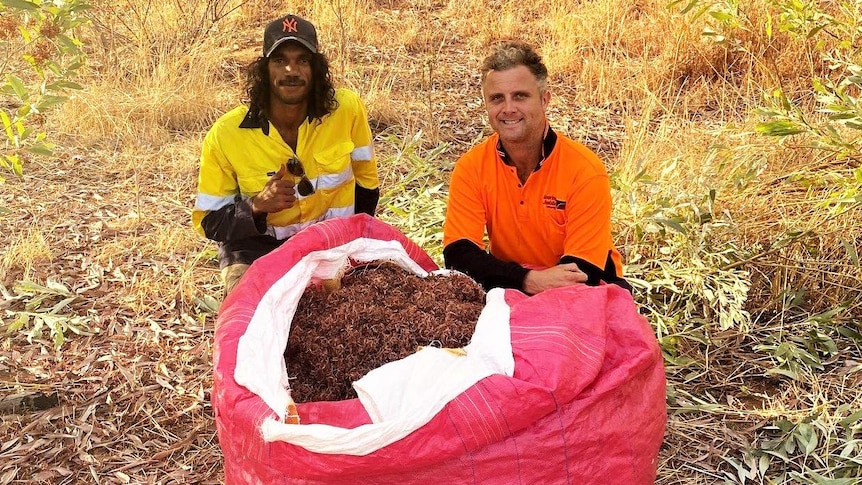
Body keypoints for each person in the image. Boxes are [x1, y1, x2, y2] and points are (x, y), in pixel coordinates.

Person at [192, 14, 380, 294]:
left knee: (357, 311)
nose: (291, 70)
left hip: (329, 243)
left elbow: (367, 184)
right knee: (249, 317)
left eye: (302, 60)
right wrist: (256, 207)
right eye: (279, 60)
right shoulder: (226, 134)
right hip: (256, 250)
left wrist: (355, 245)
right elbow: (210, 223)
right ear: (264, 70)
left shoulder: (347, 111)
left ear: (316, 69)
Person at [442, 41, 631, 295]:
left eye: (520, 96)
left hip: (588, 288)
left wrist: (524, 280)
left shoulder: (584, 170)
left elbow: (583, 271)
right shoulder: (471, 167)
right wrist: (529, 279)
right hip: (513, 283)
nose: (508, 108)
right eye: (497, 98)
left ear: (545, 100)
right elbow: (458, 254)